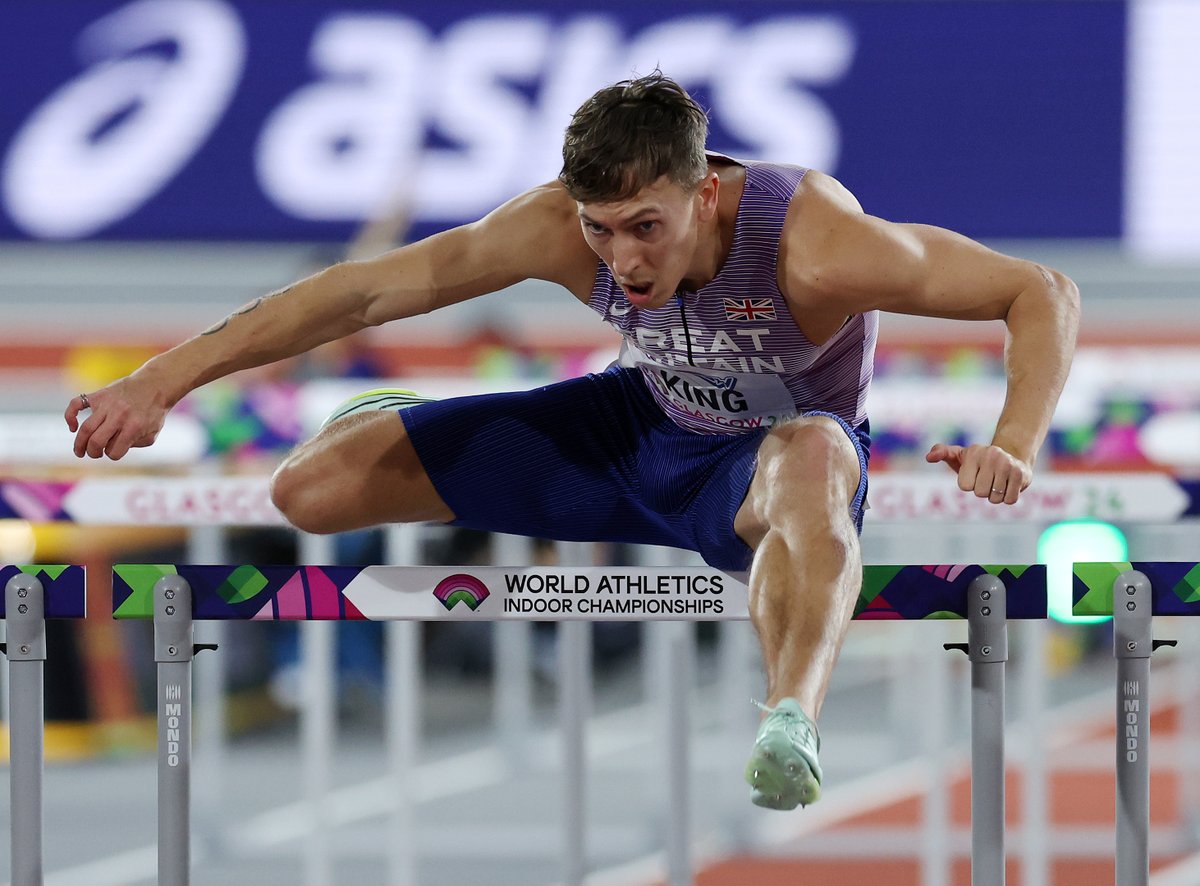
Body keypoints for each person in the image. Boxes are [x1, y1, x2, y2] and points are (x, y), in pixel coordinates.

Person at [65, 72, 1079, 811]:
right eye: (601, 230)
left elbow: (1037, 291)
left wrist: (1016, 439)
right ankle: (381, 427)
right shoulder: (559, 227)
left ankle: (789, 721)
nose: (622, 261)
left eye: (646, 227)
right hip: (633, 427)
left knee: (812, 450)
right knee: (310, 493)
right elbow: (364, 287)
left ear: (706, 192)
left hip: (762, 469)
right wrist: (163, 379)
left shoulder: (819, 242)